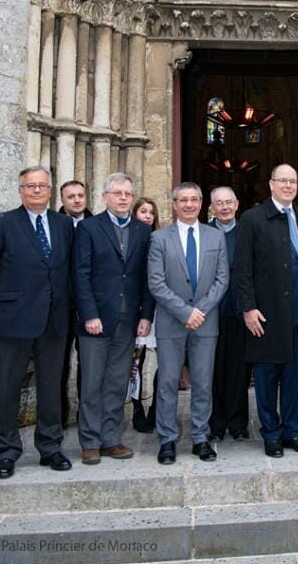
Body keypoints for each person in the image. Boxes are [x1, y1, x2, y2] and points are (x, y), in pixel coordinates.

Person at [0, 165, 74, 479]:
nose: (36, 190)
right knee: (7, 388)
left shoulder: (63, 224)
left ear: (50, 191)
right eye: (30, 186)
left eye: (42, 186)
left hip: (53, 321)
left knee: (50, 387)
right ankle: (7, 452)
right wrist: (7, 299)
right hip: (13, 321)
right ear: (20, 190)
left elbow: (68, 269)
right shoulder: (3, 222)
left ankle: (50, 447)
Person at [234, 163, 298, 458]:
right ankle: (270, 433)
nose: (287, 186)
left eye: (292, 181)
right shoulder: (252, 219)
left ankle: (293, 431)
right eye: (282, 181)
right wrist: (248, 308)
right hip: (266, 314)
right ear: (270, 185)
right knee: (267, 377)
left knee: (296, 377)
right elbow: (242, 268)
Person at [74, 173, 154, 465]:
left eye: (128, 194)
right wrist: (89, 314)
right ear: (105, 196)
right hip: (96, 319)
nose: (123, 198)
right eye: (117, 193)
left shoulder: (143, 231)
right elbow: (80, 274)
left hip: (129, 319)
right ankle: (90, 442)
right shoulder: (89, 228)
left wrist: (146, 315)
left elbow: (147, 278)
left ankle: (111, 438)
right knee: (92, 382)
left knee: (118, 381)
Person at [148, 182, 229, 463]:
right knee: (169, 382)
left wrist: (200, 310)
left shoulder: (215, 236)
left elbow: (222, 280)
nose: (189, 205)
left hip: (206, 322)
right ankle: (167, 440)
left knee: (203, 383)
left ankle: (200, 438)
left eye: (194, 199)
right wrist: (185, 312)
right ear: (174, 204)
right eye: (183, 200)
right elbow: (156, 283)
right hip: (171, 322)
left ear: (201, 203)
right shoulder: (159, 239)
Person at [208, 185, 251, 441]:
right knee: (212, 370)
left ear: (236, 205)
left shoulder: (246, 231)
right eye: (219, 203)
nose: (224, 207)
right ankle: (215, 422)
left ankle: (238, 423)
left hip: (240, 310)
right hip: (211, 311)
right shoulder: (204, 232)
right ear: (212, 207)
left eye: (229, 203)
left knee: (239, 370)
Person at [58, 179, 92, 428]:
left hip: (90, 307)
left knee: (88, 363)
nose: (77, 200)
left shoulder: (96, 225)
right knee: (57, 362)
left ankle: (86, 413)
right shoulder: (51, 224)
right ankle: (58, 413)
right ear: (62, 200)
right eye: (71, 196)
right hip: (60, 306)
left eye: (80, 195)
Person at [130, 197, 160, 434]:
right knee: (135, 363)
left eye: (151, 212)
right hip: (136, 309)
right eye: (143, 211)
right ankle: (137, 408)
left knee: (164, 362)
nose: (148, 216)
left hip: (159, 308)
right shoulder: (129, 241)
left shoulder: (159, 240)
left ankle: (156, 411)